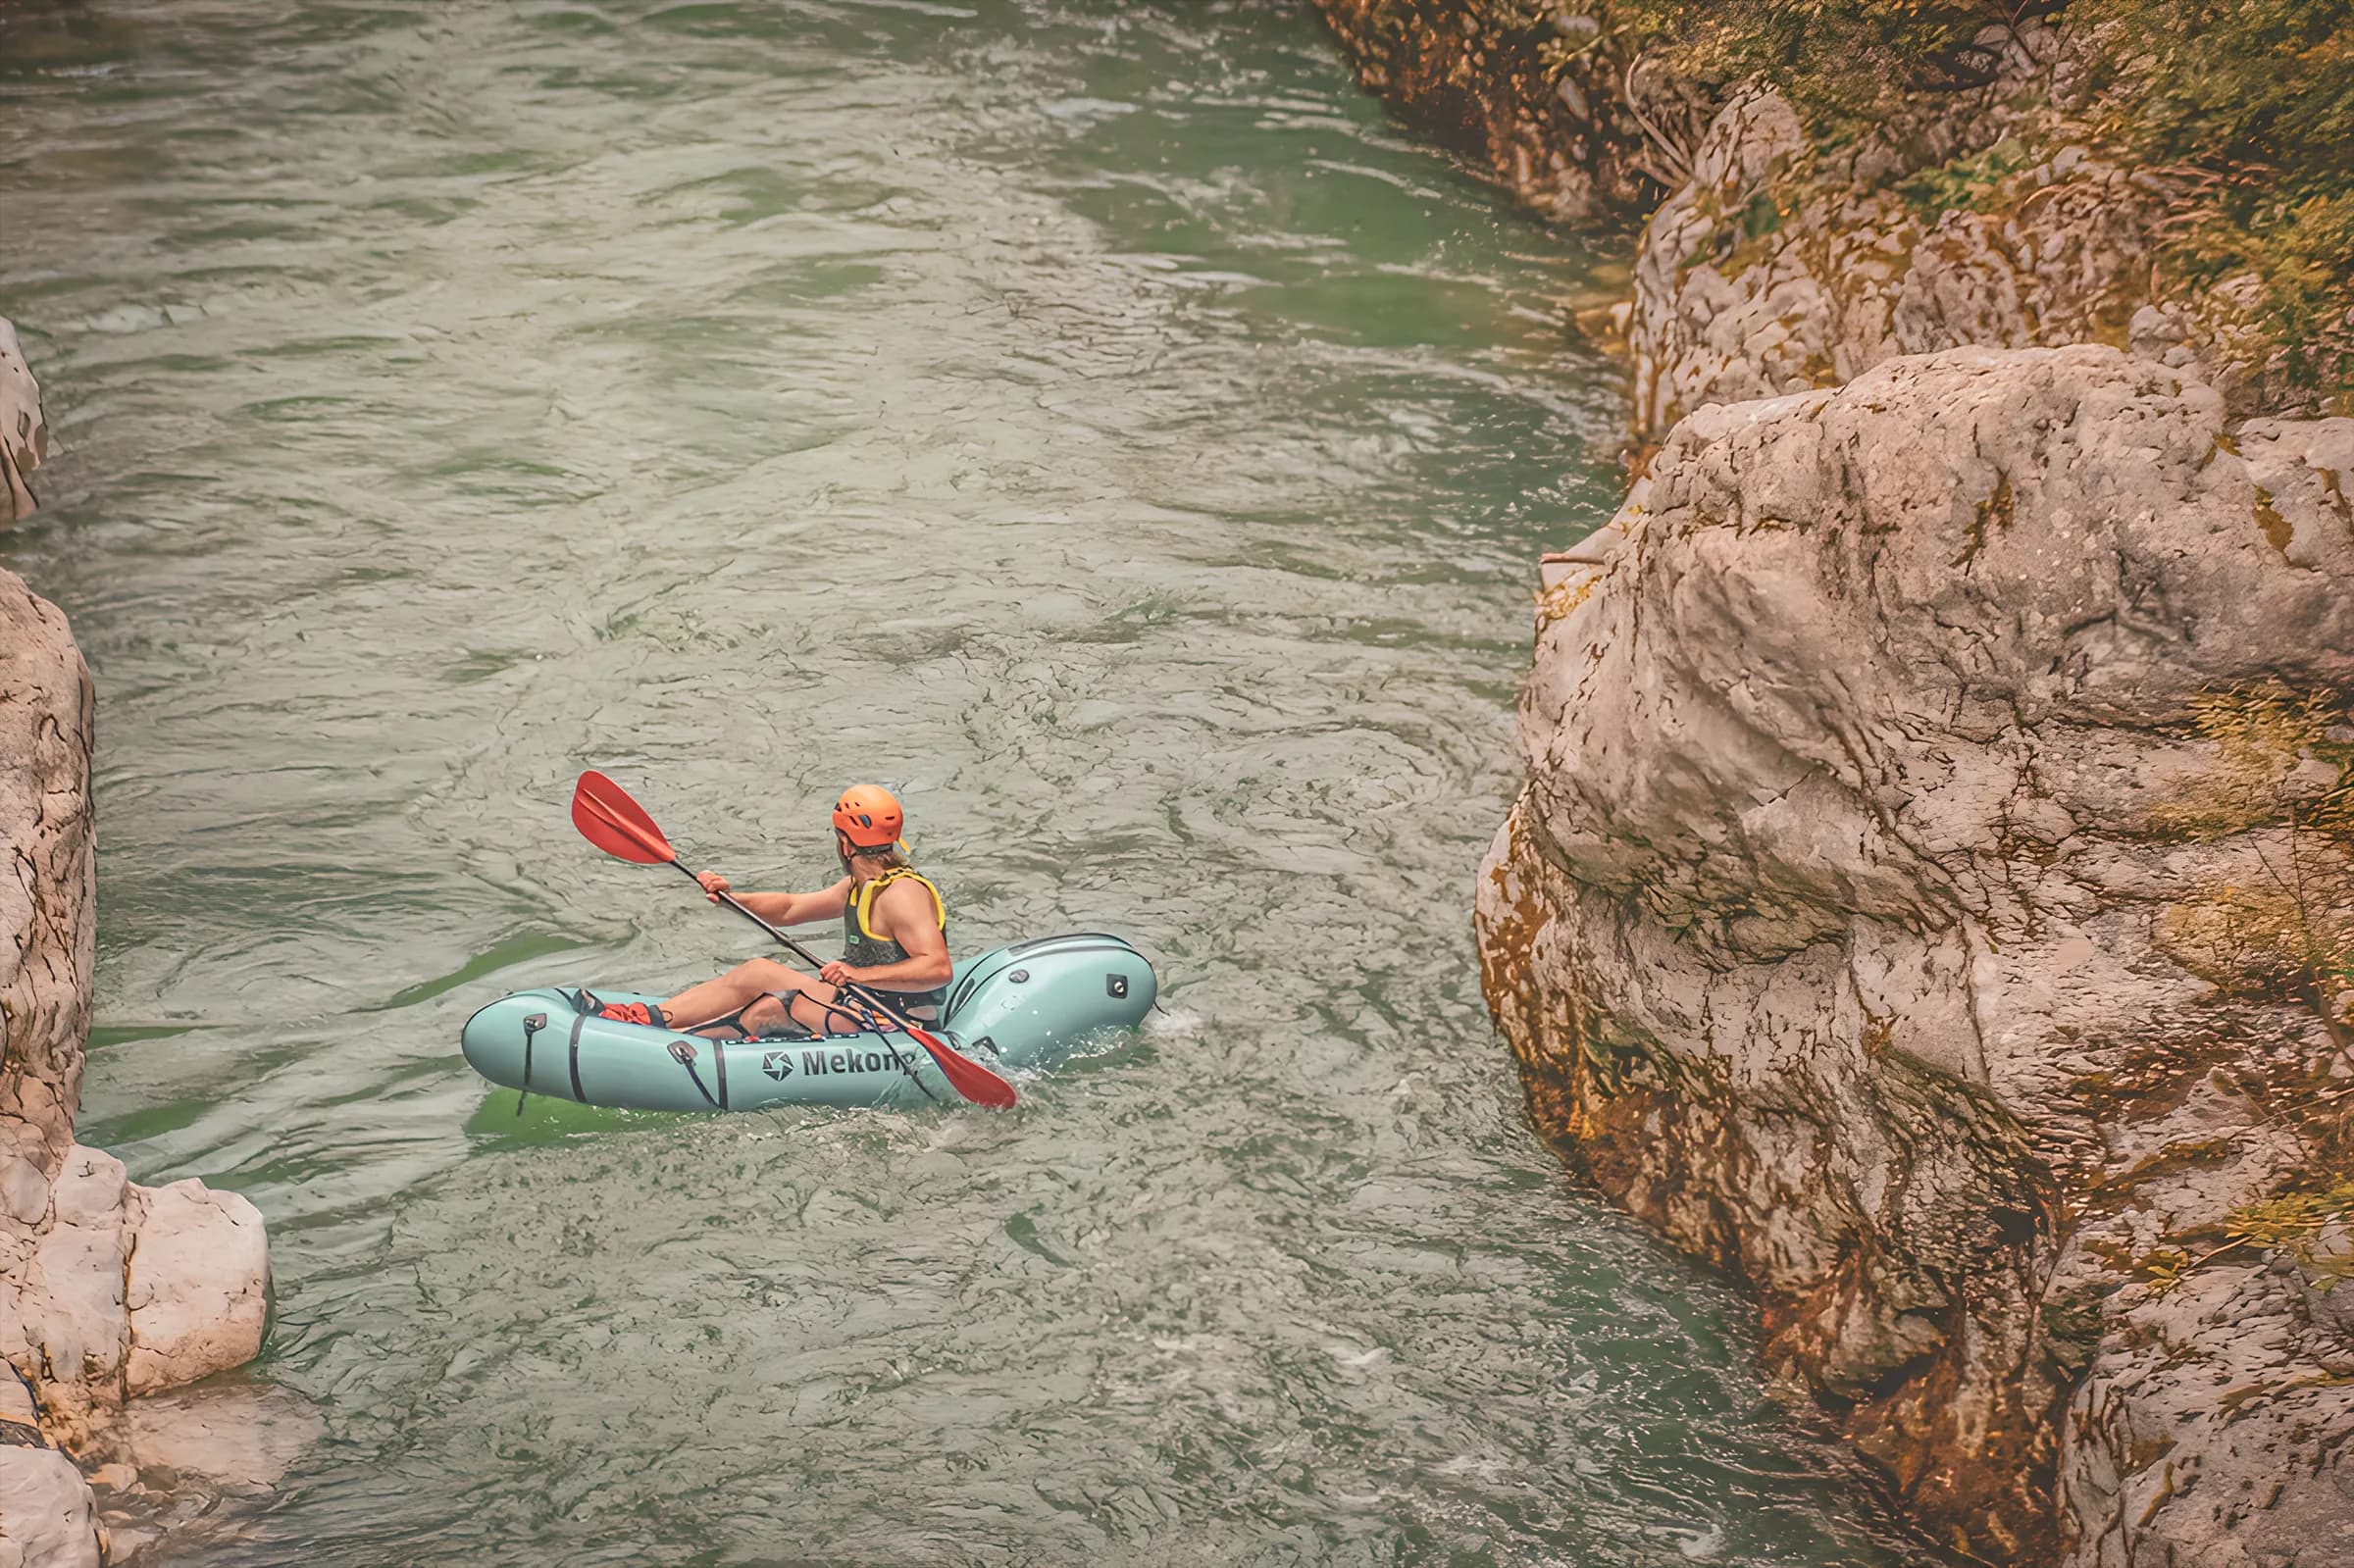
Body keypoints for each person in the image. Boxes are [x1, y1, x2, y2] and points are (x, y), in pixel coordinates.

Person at [597, 784, 951, 1038]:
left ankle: (664, 1033)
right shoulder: (860, 887)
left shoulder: (901, 894)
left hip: (897, 1022)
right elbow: (791, 908)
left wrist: (858, 975)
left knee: (764, 992)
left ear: (844, 842)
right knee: (761, 987)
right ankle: (658, 1022)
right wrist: (732, 897)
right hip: (857, 1005)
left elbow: (937, 968)